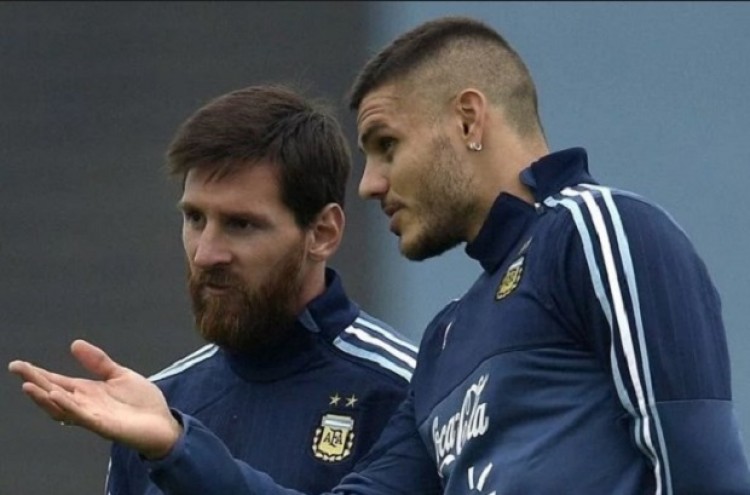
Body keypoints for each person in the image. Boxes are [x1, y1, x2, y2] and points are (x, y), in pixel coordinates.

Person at [10, 16, 750, 494]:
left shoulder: (598, 230)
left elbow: (702, 468)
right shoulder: (448, 343)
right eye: (193, 219)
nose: (370, 183)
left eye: (386, 145)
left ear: (468, 120)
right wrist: (177, 445)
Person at [8, 85, 418, 494]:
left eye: (241, 224)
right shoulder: (154, 410)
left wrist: (178, 450)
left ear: (323, 233)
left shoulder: (409, 392)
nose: (205, 254)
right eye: (195, 219)